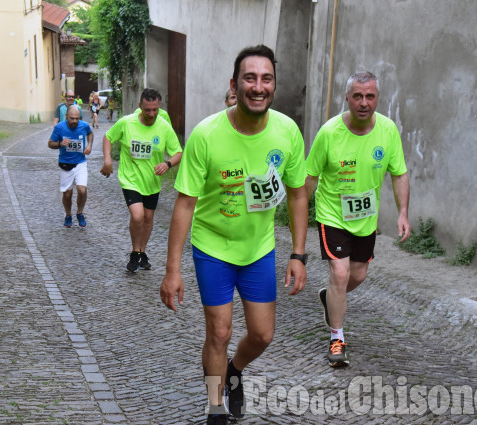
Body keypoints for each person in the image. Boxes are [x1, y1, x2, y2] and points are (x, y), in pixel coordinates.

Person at [159, 45, 308, 425]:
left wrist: (298, 253)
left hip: (258, 249)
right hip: (212, 248)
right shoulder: (207, 134)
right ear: (235, 84)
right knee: (220, 331)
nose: (258, 87)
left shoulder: (287, 132)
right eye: (250, 78)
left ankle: (234, 371)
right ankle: (215, 406)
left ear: (274, 84)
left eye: (266, 78)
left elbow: (296, 194)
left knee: (262, 335)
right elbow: (185, 204)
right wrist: (172, 270)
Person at [305, 71, 411, 368]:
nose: (364, 103)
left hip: (365, 218)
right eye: (357, 96)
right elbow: (310, 178)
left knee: (358, 276)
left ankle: (330, 297)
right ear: (347, 98)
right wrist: (299, 216)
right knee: (340, 274)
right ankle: (337, 339)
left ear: (377, 98)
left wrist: (403, 212)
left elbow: (399, 173)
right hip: (332, 213)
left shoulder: (388, 130)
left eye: (370, 96)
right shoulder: (329, 133)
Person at [100, 88, 183, 272]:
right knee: (137, 215)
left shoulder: (163, 126)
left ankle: (141, 252)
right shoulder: (127, 123)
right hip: (130, 178)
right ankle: (135, 251)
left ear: (159, 107)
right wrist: (107, 160)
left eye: (155, 109)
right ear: (140, 106)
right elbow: (108, 137)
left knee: (148, 217)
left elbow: (178, 152)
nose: (151, 114)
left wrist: (167, 164)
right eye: (147, 110)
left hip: (152, 180)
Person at [48, 105, 94, 228]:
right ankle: (68, 215)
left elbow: (90, 133)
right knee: (67, 194)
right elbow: (50, 143)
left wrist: (89, 145)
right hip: (65, 164)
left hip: (80, 162)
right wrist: (60, 144)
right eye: (72, 118)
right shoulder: (59, 127)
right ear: (66, 116)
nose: (74, 121)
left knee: (82, 190)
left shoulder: (84, 125)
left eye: (77, 118)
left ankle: (80, 213)